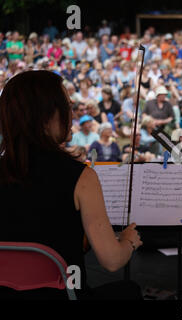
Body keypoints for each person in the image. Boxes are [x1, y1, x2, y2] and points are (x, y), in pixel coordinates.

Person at [0, 70, 142, 299]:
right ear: (46, 116)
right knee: (130, 290)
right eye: (67, 106)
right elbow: (112, 260)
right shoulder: (81, 177)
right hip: (63, 295)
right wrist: (128, 240)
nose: (72, 115)